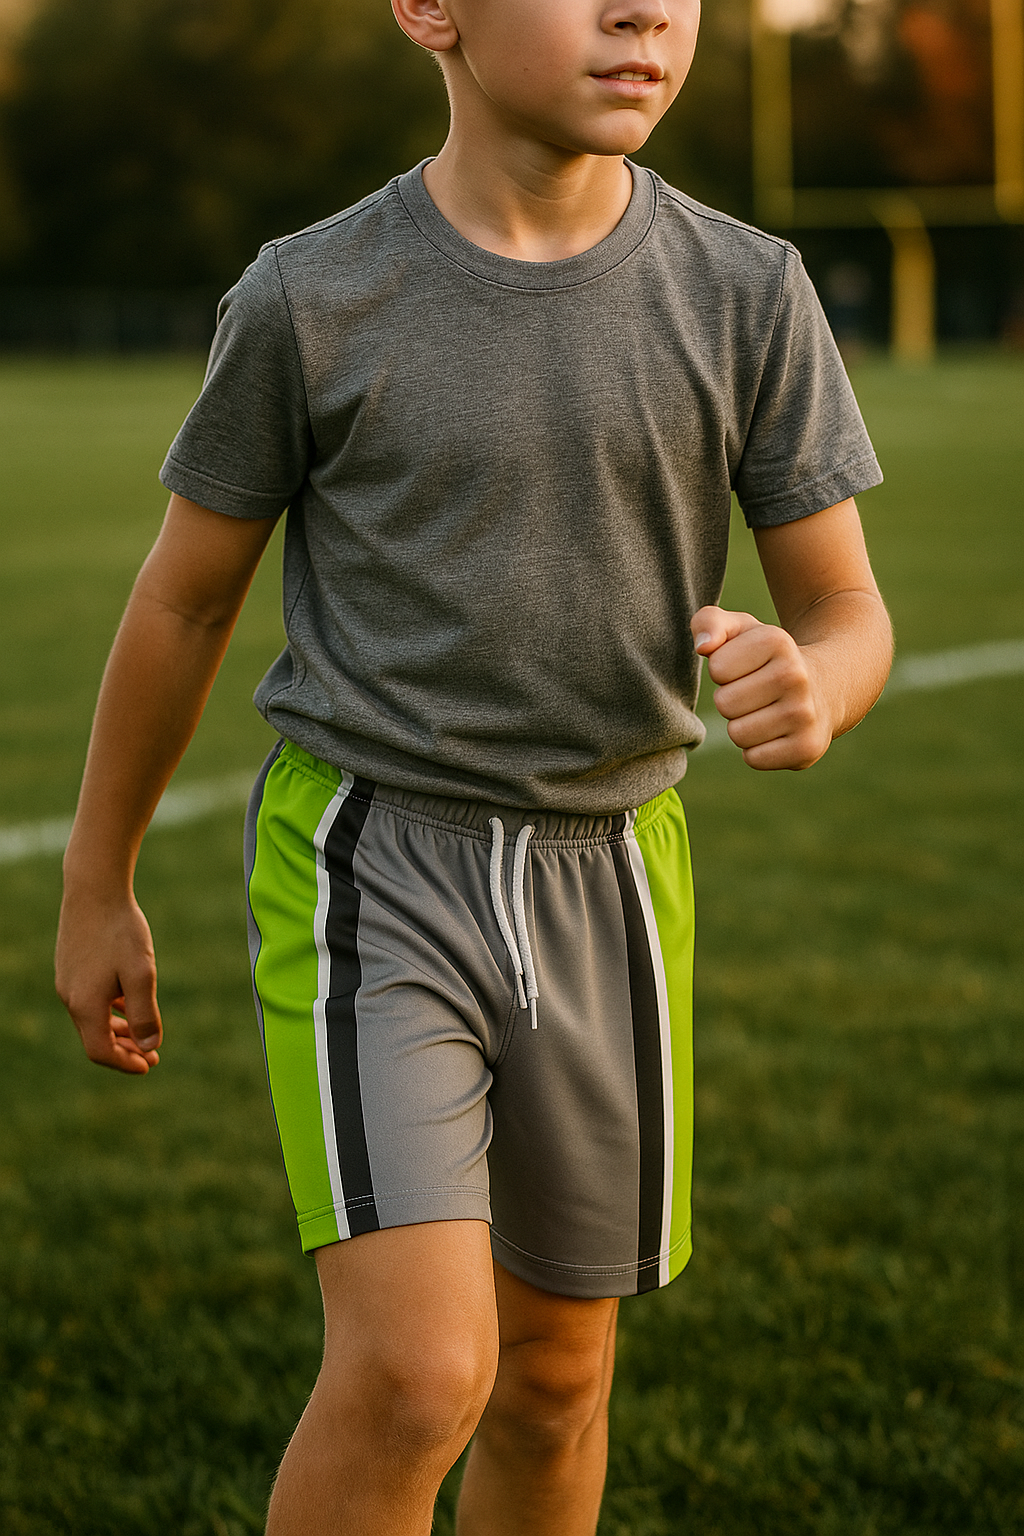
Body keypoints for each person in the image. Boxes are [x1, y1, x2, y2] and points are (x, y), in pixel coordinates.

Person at [55, 1, 893, 1532]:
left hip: (616, 876)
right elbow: (184, 599)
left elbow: (845, 604)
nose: (646, 11)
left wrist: (823, 679)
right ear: (431, 7)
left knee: (556, 1380)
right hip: (376, 862)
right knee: (419, 1373)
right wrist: (95, 879)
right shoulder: (313, 296)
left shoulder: (747, 291)